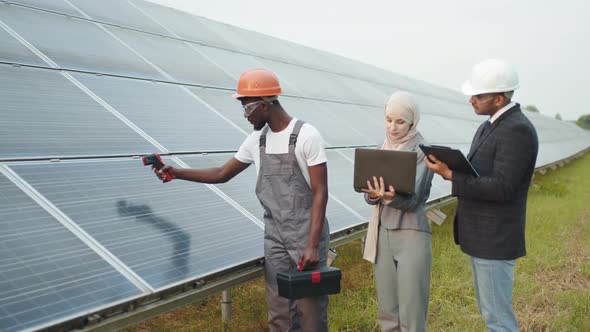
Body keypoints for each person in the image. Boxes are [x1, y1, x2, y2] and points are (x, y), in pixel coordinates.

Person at [153, 68, 330, 332]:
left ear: (264, 105)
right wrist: (176, 172)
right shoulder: (256, 141)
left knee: (310, 315)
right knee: (280, 314)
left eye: (247, 109)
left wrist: (313, 245)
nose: (245, 117)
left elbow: (320, 192)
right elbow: (221, 173)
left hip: (306, 234)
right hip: (275, 237)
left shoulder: (306, 136)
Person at [424, 59, 539, 332]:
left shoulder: (517, 130)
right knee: (492, 315)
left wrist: (452, 175)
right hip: (482, 236)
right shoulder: (491, 125)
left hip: (495, 239)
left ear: (499, 99)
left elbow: (502, 187)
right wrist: (455, 167)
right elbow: (483, 174)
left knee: (498, 320)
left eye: (478, 95)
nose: (471, 100)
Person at [362, 91, 434, 332]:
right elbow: (368, 191)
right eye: (388, 119)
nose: (392, 127)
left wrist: (391, 198)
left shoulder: (423, 152)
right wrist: (373, 194)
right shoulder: (380, 148)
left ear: (413, 122)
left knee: (411, 313)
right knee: (387, 311)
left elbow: (417, 197)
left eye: (400, 122)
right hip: (383, 233)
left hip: (411, 233)